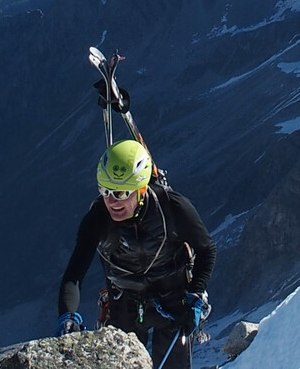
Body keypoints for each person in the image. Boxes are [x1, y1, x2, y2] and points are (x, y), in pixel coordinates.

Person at [58, 139, 216, 369]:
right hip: (126, 305)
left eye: (121, 193)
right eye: (105, 190)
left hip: (174, 302)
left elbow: (206, 249)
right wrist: (67, 315)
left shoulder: (172, 207)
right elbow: (74, 273)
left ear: (141, 187)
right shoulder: (97, 219)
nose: (111, 202)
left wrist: (195, 294)